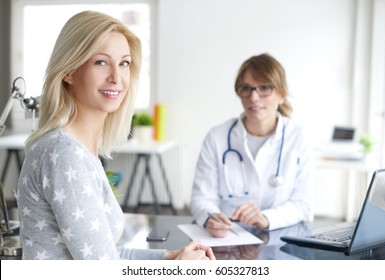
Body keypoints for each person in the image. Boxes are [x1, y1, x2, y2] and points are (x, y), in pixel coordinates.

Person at [17, 10, 214, 260]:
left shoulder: (81, 148)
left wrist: (168, 258)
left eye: (124, 63)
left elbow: (105, 255)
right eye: (101, 62)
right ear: (68, 71)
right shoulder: (64, 153)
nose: (117, 78)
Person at [190, 53, 314, 237]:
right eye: (246, 88)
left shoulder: (298, 137)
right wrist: (211, 217)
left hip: (281, 239)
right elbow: (201, 198)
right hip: (228, 239)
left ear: (282, 94)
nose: (254, 97)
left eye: (264, 88)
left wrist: (266, 218)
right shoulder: (217, 137)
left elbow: (304, 205)